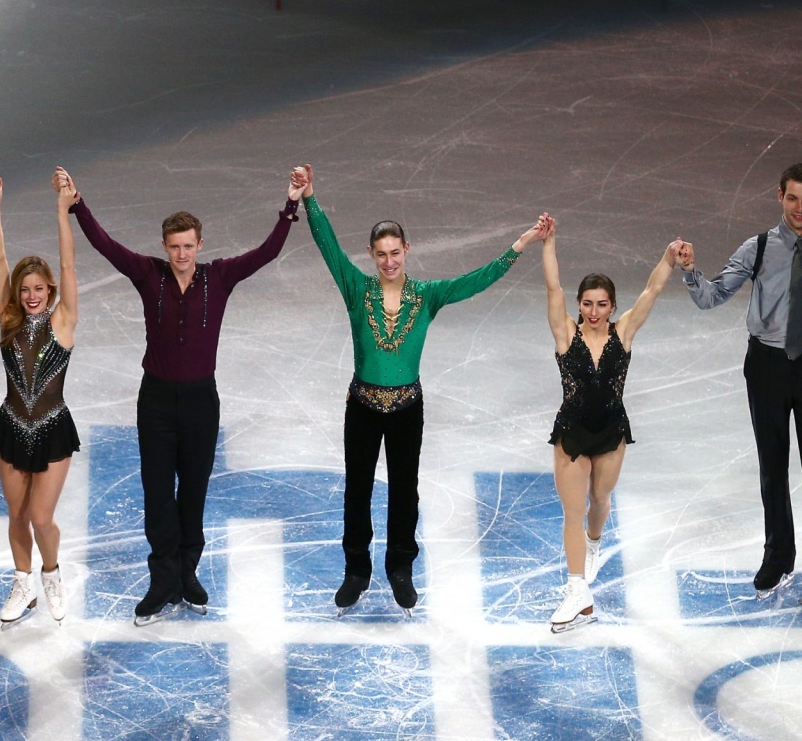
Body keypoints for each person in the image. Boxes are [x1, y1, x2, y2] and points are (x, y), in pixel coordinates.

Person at [296, 163, 547, 616]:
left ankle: (400, 568)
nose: (389, 261)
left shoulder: (427, 295)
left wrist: (523, 243)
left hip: (407, 407)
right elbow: (328, 247)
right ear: (371, 255)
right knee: (357, 488)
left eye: (395, 252)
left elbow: (477, 279)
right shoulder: (357, 289)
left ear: (407, 249)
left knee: (404, 489)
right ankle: (356, 570)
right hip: (363, 405)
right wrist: (310, 197)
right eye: (380, 254)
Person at [67, 166, 301, 625]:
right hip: (155, 402)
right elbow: (106, 245)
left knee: (192, 492)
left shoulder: (220, 278)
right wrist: (78, 204)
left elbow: (268, 251)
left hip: (200, 402)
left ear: (199, 245)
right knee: (158, 493)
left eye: (188, 246)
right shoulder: (147, 274)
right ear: (164, 247)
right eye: (173, 246)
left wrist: (290, 204)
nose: (180, 254)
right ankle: (162, 581)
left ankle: (187, 574)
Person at [542, 217, 681, 632]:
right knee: (574, 510)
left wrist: (669, 258)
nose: (594, 311)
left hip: (611, 433)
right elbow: (553, 288)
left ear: (613, 307)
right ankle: (576, 589)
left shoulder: (625, 334)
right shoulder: (566, 334)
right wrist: (549, 242)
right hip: (572, 432)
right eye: (587, 303)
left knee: (599, 503)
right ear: (579, 305)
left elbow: (652, 289)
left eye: (602, 304)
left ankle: (595, 544)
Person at [679, 162, 802, 600]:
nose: (799, 207)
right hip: (767, 367)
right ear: (779, 197)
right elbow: (711, 296)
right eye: (792, 198)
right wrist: (691, 270)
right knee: (773, 467)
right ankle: (778, 555)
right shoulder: (760, 247)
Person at [0, 167, 80, 626]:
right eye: (25, 290)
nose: (30, 295)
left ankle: (51, 574)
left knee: (41, 516)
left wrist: (62, 209)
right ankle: (22, 583)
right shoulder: (9, 323)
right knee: (17, 513)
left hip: (52, 428)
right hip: (11, 426)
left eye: (39, 289)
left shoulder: (63, 323)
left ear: (50, 292)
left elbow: (67, 264)